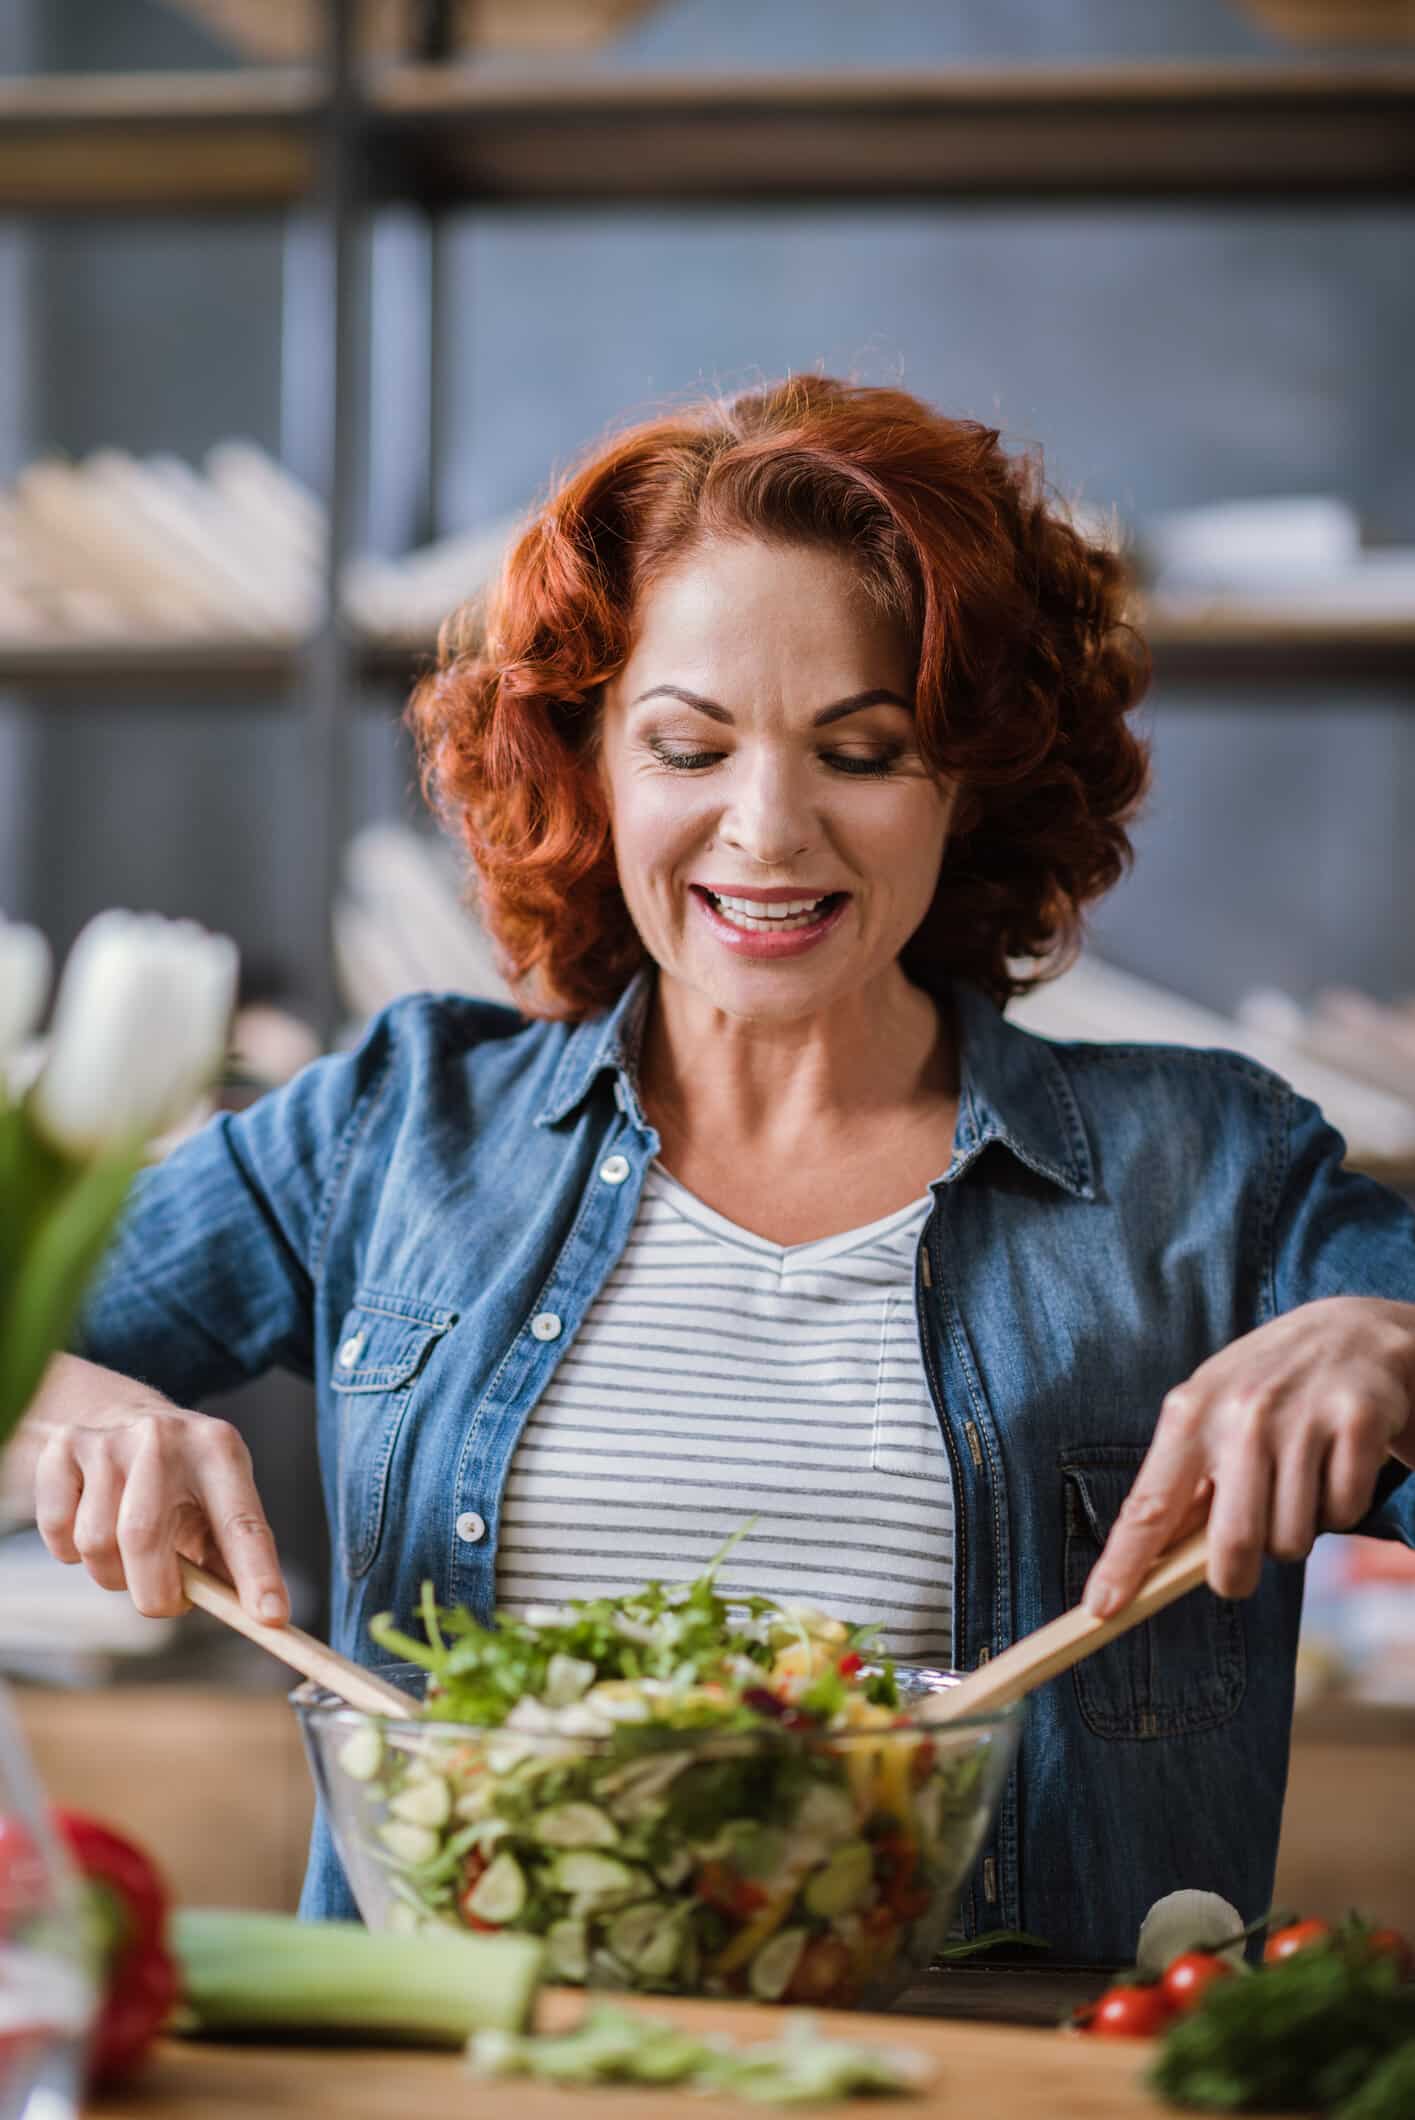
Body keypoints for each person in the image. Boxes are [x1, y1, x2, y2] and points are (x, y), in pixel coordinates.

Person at [28, 376, 1415, 1964]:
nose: (766, 830)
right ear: (589, 762)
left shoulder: (1209, 1170)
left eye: (864, 750)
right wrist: (68, 1407)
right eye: (688, 745)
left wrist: (1391, 1345)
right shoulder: (396, 1130)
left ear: (972, 776)